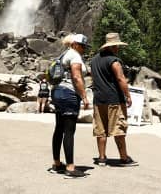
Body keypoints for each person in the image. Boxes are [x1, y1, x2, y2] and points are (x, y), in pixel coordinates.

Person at [90, 32, 137, 167]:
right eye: (117, 46)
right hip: (114, 99)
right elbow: (120, 78)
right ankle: (124, 157)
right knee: (119, 128)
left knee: (100, 130)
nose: (118, 48)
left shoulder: (93, 61)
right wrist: (128, 95)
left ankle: (101, 158)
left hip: (99, 100)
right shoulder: (114, 61)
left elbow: (93, 80)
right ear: (112, 46)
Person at [50, 33, 91, 177]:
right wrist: (84, 96)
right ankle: (70, 167)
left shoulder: (63, 55)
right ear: (74, 44)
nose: (84, 48)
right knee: (69, 131)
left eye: (85, 46)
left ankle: (57, 164)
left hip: (57, 92)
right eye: (82, 46)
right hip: (68, 94)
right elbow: (76, 76)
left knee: (59, 129)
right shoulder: (74, 56)